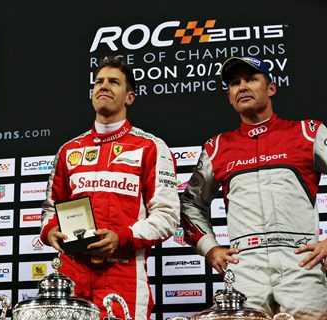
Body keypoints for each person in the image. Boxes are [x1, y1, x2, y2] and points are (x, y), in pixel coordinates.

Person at [180, 56, 327, 319]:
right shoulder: (217, 146)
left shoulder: (308, 132)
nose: (242, 87)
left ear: (271, 88)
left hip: (301, 259)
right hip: (244, 265)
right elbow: (190, 204)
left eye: (251, 79)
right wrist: (210, 248)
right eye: (235, 83)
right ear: (229, 96)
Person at [40, 56, 180, 319]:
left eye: (113, 82)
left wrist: (122, 237)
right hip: (73, 277)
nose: (103, 86)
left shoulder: (151, 147)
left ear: (129, 97)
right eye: (99, 82)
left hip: (123, 276)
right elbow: (50, 209)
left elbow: (167, 216)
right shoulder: (69, 150)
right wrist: (51, 232)